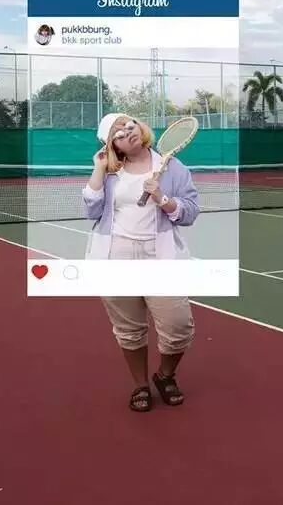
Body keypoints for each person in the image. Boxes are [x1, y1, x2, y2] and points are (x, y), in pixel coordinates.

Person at [82, 113, 200, 412]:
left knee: (179, 328)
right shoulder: (110, 173)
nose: (127, 132)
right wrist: (98, 168)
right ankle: (141, 384)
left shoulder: (173, 168)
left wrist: (162, 198)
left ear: (140, 127)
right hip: (115, 258)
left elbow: (189, 212)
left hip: (161, 259)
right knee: (129, 330)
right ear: (113, 146)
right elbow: (92, 211)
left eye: (129, 125)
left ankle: (165, 375)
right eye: (118, 134)